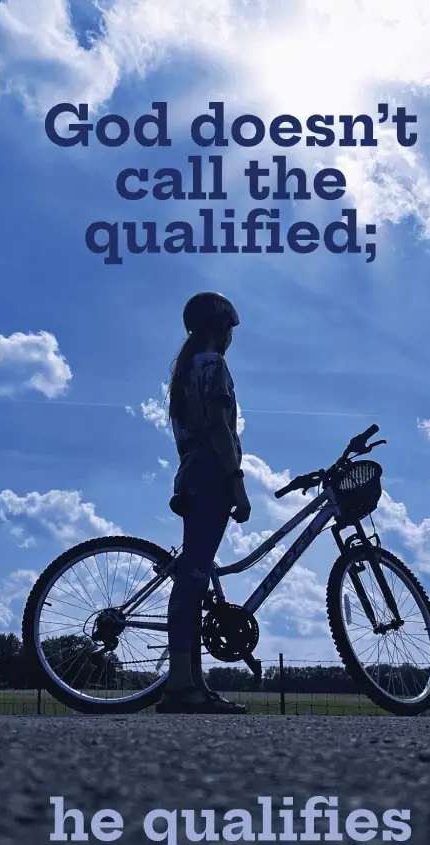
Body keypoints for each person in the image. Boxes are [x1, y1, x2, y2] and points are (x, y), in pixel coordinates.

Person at [156, 292, 251, 715]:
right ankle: (180, 685)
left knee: (194, 575)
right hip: (211, 474)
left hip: (190, 475)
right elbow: (218, 425)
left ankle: (193, 682)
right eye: (230, 327)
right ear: (219, 327)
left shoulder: (184, 373)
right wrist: (237, 480)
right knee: (193, 578)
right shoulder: (213, 365)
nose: (232, 336)